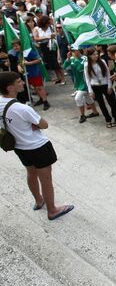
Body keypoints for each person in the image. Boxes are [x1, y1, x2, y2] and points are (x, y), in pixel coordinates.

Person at [0, 71, 73, 220]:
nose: (22, 83)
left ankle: (39, 200)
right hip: (37, 146)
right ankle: (52, 210)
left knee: (31, 173)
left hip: (19, 147)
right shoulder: (22, 108)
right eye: (19, 81)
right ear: (10, 88)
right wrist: (32, 125)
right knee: (46, 179)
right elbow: (44, 124)